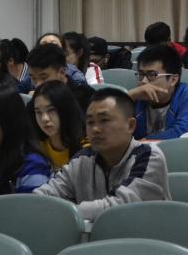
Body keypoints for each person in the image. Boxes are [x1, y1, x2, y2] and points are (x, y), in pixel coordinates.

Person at [35, 88, 170, 220]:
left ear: (130, 125)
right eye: (90, 122)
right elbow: (44, 196)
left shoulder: (149, 156)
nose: (95, 129)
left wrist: (66, 212)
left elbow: (121, 207)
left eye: (104, 120)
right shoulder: (82, 159)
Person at [129, 44, 188, 140]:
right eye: (141, 74)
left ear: (173, 80)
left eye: (152, 75)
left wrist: (142, 143)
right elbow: (117, 132)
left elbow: (185, 135)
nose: (143, 81)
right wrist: (128, 97)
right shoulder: (135, 99)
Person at [30, 80, 87, 170]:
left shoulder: (86, 148)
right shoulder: (38, 146)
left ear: (66, 109)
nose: (44, 118)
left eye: (51, 110)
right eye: (38, 112)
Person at [25, 43, 96, 113]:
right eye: (33, 78)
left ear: (62, 72)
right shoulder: (37, 98)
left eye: (44, 77)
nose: (38, 85)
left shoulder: (86, 97)